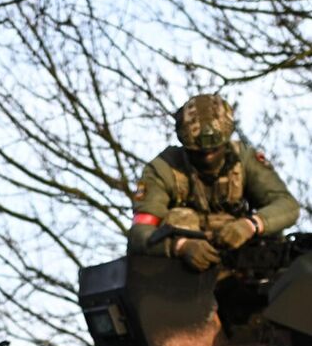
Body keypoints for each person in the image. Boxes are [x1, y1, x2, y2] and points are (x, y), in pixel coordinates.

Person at [126, 93, 300, 271]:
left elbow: (287, 205)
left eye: (215, 149)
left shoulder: (244, 159)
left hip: (242, 265)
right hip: (181, 277)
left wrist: (251, 225)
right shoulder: (163, 170)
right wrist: (180, 246)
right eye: (199, 152)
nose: (208, 158)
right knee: (178, 219)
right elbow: (140, 234)